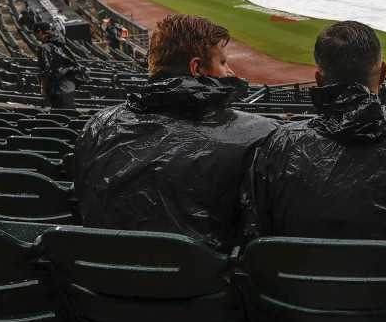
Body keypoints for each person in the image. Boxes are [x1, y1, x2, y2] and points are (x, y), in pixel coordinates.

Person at [241, 21, 386, 258]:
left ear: (318, 80)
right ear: (382, 73)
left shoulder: (277, 145)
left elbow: (256, 237)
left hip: (296, 292)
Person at [75, 14, 276, 252]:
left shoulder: (98, 124)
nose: (230, 72)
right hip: (201, 283)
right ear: (197, 68)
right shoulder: (262, 134)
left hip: (100, 276)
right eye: (222, 63)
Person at [34, 21, 80, 108]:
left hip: (58, 88)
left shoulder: (45, 47)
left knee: (62, 115)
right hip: (68, 86)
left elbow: (45, 70)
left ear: (40, 32)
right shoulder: (58, 42)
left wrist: (43, 88)